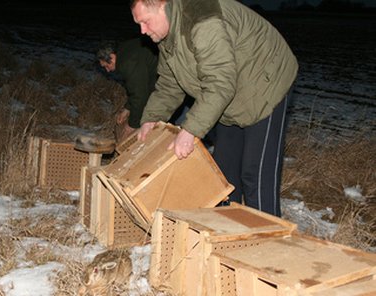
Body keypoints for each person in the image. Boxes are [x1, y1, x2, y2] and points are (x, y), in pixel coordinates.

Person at [131, 0, 299, 216]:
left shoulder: (202, 21)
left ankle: (268, 241)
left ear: (162, 5)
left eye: (145, 21)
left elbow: (219, 82)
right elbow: (170, 82)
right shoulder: (167, 33)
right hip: (231, 92)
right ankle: (227, 234)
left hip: (266, 83)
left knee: (255, 174)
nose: (142, 31)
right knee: (224, 174)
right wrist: (151, 118)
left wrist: (190, 130)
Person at [96, 38, 158, 142]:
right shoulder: (124, 50)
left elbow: (140, 96)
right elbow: (137, 86)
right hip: (158, 78)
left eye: (107, 65)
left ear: (112, 57)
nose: (107, 70)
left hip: (172, 81)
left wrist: (132, 125)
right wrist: (127, 109)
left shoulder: (128, 63)